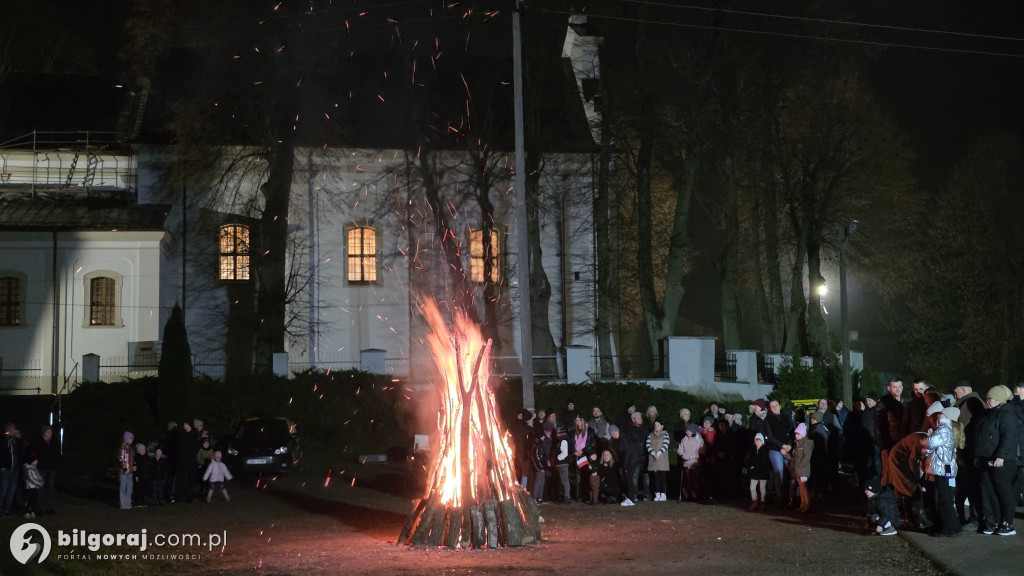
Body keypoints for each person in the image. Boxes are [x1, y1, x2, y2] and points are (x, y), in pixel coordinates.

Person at [975, 385, 1018, 536]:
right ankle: (995, 521)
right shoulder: (991, 414)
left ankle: (1008, 523)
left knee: (1004, 492)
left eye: (990, 398)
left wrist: (1002, 456)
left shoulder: (1006, 415)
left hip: (1001, 461)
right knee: (990, 491)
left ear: (999, 399)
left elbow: (1009, 436)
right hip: (987, 459)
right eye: (987, 398)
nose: (988, 401)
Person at [920, 401, 960, 537]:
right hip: (944, 468)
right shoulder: (947, 430)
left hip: (942, 469)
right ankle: (953, 527)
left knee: (944, 500)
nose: (938, 417)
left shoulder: (944, 429)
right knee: (945, 498)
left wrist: (926, 438)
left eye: (941, 414)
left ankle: (949, 528)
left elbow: (930, 443)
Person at [953, 384, 988, 530]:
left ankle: (974, 519)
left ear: (963, 389)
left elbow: (962, 431)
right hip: (972, 453)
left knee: (969, 487)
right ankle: (970, 518)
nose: (955, 396)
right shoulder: (977, 402)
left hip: (968, 454)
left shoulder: (968, 405)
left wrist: (960, 453)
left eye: (956, 393)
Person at [875, 379, 906, 481]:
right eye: (894, 387)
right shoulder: (884, 403)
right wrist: (882, 446)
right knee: (888, 474)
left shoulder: (903, 403)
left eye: (899, 387)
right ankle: (887, 494)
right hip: (889, 444)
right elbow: (878, 425)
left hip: (900, 443)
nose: (897, 390)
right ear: (889, 388)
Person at [781, 422, 813, 512]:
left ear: (802, 434)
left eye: (798, 434)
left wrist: (799, 466)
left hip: (802, 469)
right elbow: (794, 458)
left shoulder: (805, 444)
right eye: (796, 433)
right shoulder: (798, 444)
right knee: (802, 487)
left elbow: (807, 457)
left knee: (803, 487)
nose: (796, 435)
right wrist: (786, 455)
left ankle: (806, 504)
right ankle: (803, 503)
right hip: (799, 469)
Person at [620, 411, 646, 507]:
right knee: (631, 477)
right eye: (638, 418)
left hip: (639, 457)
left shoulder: (643, 429)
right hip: (634, 456)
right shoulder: (631, 430)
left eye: (640, 417)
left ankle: (632, 497)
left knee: (633, 477)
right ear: (633, 419)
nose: (640, 419)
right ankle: (632, 496)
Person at [571, 415, 599, 503]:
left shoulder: (590, 431)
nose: (577, 422)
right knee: (581, 475)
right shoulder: (573, 432)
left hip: (586, 454)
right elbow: (571, 443)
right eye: (576, 420)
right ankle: (580, 495)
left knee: (588, 474)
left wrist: (582, 451)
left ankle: (591, 496)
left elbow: (592, 443)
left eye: (579, 420)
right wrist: (574, 451)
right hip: (577, 455)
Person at [36, 425, 60, 515]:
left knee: (50, 488)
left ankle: (48, 507)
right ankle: (39, 508)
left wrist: (56, 464)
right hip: (42, 468)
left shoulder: (54, 443)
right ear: (44, 433)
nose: (49, 434)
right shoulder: (39, 442)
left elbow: (57, 454)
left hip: (51, 468)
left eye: (50, 432)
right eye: (48, 432)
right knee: (41, 488)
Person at [1, 422, 24, 517]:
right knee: (3, 490)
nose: (12, 431)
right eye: (10, 429)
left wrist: (19, 438)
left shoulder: (16, 441)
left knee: (12, 490)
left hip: (15, 469)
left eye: (13, 429)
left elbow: (22, 451)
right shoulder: (3, 439)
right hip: (5, 469)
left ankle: (7, 509)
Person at [745, 432, 771, 511]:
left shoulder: (765, 451)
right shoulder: (752, 451)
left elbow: (767, 463)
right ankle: (754, 501)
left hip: (762, 473)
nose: (757, 442)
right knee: (752, 487)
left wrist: (765, 471)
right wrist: (750, 467)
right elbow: (747, 460)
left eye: (759, 440)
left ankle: (763, 502)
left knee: (762, 488)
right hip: (754, 473)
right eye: (756, 440)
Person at [677, 424, 703, 501]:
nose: (686, 432)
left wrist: (690, 456)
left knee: (695, 480)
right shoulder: (684, 439)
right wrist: (682, 454)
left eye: (688, 430)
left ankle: (697, 494)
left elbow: (700, 451)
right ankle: (690, 494)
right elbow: (679, 450)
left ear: (693, 431)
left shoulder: (699, 440)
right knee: (688, 480)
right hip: (686, 463)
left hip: (695, 463)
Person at [646, 420, 670, 501]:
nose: (656, 426)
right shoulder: (650, 435)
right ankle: (657, 494)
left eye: (658, 425)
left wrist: (658, 453)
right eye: (655, 425)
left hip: (662, 459)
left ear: (662, 426)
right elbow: (648, 445)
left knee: (662, 477)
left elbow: (665, 445)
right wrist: (653, 453)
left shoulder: (665, 435)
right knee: (655, 478)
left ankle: (663, 494)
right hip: (653, 459)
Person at [532, 422, 554, 504]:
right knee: (539, 482)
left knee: (542, 482)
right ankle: (535, 498)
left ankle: (540, 498)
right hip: (540, 466)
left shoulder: (540, 444)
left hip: (543, 466)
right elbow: (537, 457)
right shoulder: (537, 446)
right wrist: (540, 467)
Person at [21, 452, 43, 519]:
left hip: (35, 487)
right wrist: (39, 483)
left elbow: (38, 476)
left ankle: (32, 511)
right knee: (29, 500)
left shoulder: (34, 468)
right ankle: (27, 512)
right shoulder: (28, 469)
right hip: (30, 488)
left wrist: (40, 481)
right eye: (35, 460)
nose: (37, 462)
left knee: (34, 500)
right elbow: (31, 478)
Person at [118, 431, 135, 510]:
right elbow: (120, 459)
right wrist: (125, 468)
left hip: (130, 471)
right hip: (123, 472)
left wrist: (134, 466)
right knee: (123, 487)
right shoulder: (122, 447)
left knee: (129, 487)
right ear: (127, 438)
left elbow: (132, 458)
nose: (132, 440)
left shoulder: (131, 448)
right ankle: (123, 504)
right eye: (131, 438)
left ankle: (128, 503)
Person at [133, 443, 152, 508]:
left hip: (145, 476)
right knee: (138, 490)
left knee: (143, 490)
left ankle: (142, 502)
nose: (143, 451)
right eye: (141, 449)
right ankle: (137, 503)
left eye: (144, 449)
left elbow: (149, 466)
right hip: (139, 476)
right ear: (138, 450)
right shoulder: (136, 458)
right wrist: (136, 475)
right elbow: (135, 468)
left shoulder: (146, 457)